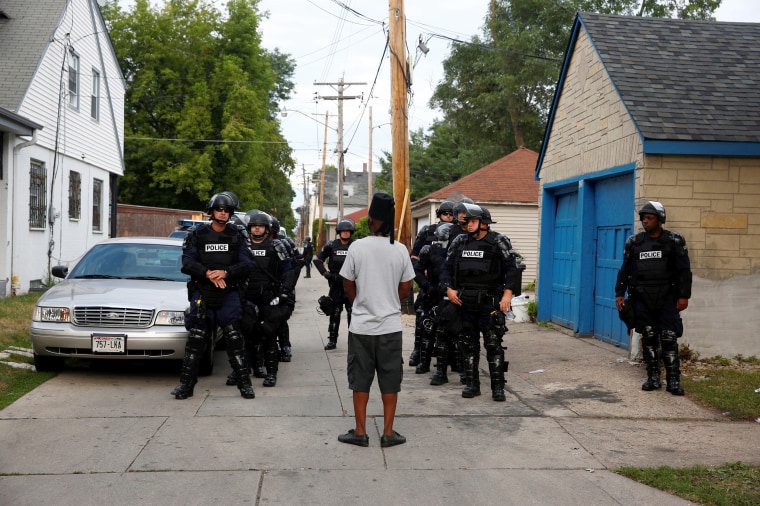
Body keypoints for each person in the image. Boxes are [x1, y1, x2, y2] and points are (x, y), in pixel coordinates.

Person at [337, 192, 415, 448]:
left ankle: (360, 432)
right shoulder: (401, 249)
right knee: (390, 380)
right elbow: (406, 288)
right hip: (391, 327)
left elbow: (347, 284)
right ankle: (388, 433)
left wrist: (359, 302)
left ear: (370, 220)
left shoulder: (357, 247)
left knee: (360, 380)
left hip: (361, 326)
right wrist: (389, 301)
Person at [172, 192, 255, 400]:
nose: (223, 212)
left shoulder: (237, 235)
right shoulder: (197, 234)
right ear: (211, 211)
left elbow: (248, 264)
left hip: (229, 292)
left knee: (234, 338)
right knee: (196, 339)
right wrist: (207, 273)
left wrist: (226, 273)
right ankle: (186, 386)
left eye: (227, 210)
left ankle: (245, 384)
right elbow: (187, 263)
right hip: (203, 291)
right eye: (219, 209)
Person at [440, 204, 520, 401]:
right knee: (468, 345)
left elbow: (513, 269)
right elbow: (446, 268)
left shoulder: (498, 242)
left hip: (490, 303)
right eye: (466, 222)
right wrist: (448, 289)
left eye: (473, 221)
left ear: (484, 223)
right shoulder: (459, 241)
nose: (468, 225)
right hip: (464, 303)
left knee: (493, 345)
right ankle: (472, 385)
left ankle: (498, 388)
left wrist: (507, 295)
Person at [615, 201, 692, 395]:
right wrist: (619, 293)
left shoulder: (674, 241)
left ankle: (673, 381)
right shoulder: (634, 242)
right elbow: (625, 270)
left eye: (650, 218)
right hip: (642, 297)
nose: (645, 222)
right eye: (643, 218)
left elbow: (684, 271)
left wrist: (684, 296)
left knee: (668, 337)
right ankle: (653, 378)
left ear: (660, 219)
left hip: (667, 297)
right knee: (648, 336)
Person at [233, 210, 296, 388]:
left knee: (269, 336)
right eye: (254, 226)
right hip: (247, 298)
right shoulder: (242, 247)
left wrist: (284, 292)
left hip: (269, 298)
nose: (257, 229)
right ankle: (243, 370)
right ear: (249, 228)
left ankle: (271, 374)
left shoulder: (276, 246)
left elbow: (289, 271)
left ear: (267, 229)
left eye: (260, 226)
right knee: (245, 336)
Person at [407, 200, 456, 367]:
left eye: (451, 214)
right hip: (429, 282)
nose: (448, 217)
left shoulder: (459, 233)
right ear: (439, 215)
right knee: (422, 317)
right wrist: (424, 280)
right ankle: (418, 350)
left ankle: (449, 355)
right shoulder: (427, 231)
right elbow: (414, 257)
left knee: (449, 321)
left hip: (449, 285)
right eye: (445, 214)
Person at [313, 218, 356, 350]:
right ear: (339, 232)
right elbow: (317, 259)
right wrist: (325, 274)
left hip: (352, 285)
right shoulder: (331, 245)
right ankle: (332, 340)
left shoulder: (356, 246)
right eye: (343, 231)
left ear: (351, 232)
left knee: (352, 313)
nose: (345, 233)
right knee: (335, 312)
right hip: (336, 285)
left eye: (348, 231)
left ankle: (354, 342)